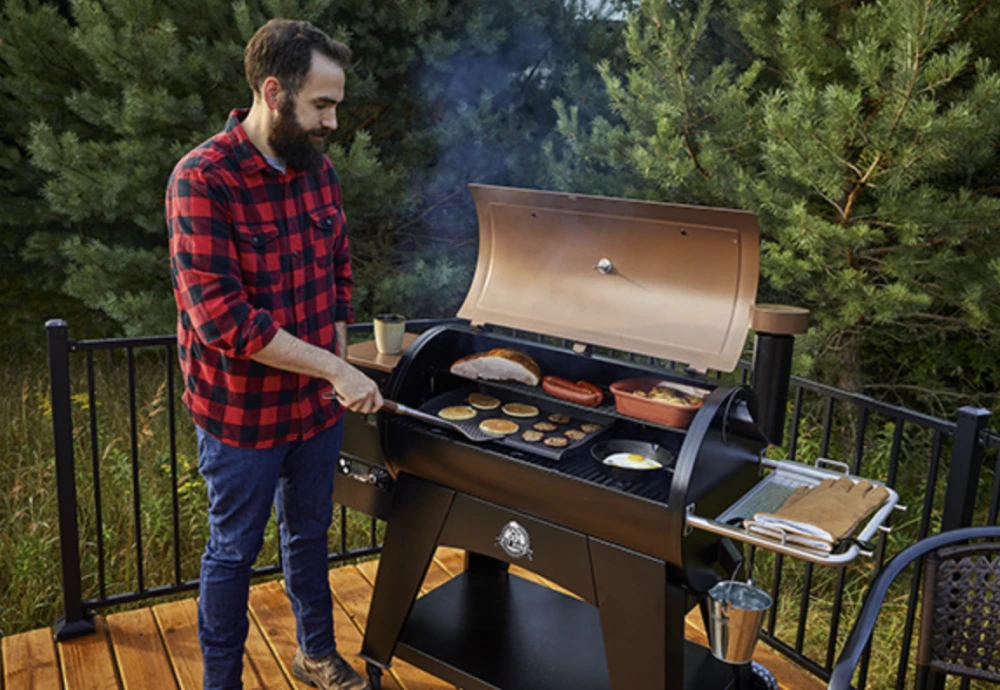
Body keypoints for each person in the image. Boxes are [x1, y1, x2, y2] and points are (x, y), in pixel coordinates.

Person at [166, 18, 382, 690]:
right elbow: (222, 320)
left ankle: (316, 654)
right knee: (232, 553)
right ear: (273, 92)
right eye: (322, 105)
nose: (333, 122)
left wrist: (339, 334)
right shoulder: (202, 180)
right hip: (240, 418)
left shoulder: (320, 172)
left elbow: (339, 263)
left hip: (313, 410)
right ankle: (221, 682)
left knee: (309, 535)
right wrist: (336, 368)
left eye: (336, 104)